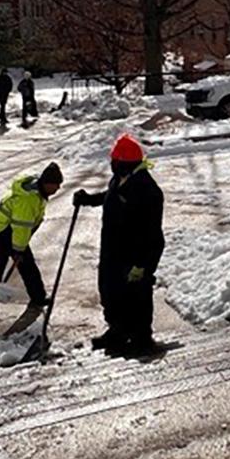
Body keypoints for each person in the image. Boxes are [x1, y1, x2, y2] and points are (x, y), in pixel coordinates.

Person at [73, 134, 165, 355]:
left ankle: (142, 337)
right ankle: (118, 330)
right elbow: (111, 195)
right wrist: (89, 199)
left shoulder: (147, 190)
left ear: (126, 163)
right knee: (110, 290)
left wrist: (142, 264)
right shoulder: (122, 178)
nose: (111, 165)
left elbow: (152, 233)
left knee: (137, 294)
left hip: (136, 253)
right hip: (114, 249)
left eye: (115, 161)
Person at [0, 160, 64, 339]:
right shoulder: (29, 199)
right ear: (46, 183)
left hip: (10, 231)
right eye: (55, 185)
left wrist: (19, 250)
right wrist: (18, 250)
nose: (57, 189)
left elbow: (24, 228)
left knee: (28, 265)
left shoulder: (38, 192)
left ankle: (38, 297)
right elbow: (21, 227)